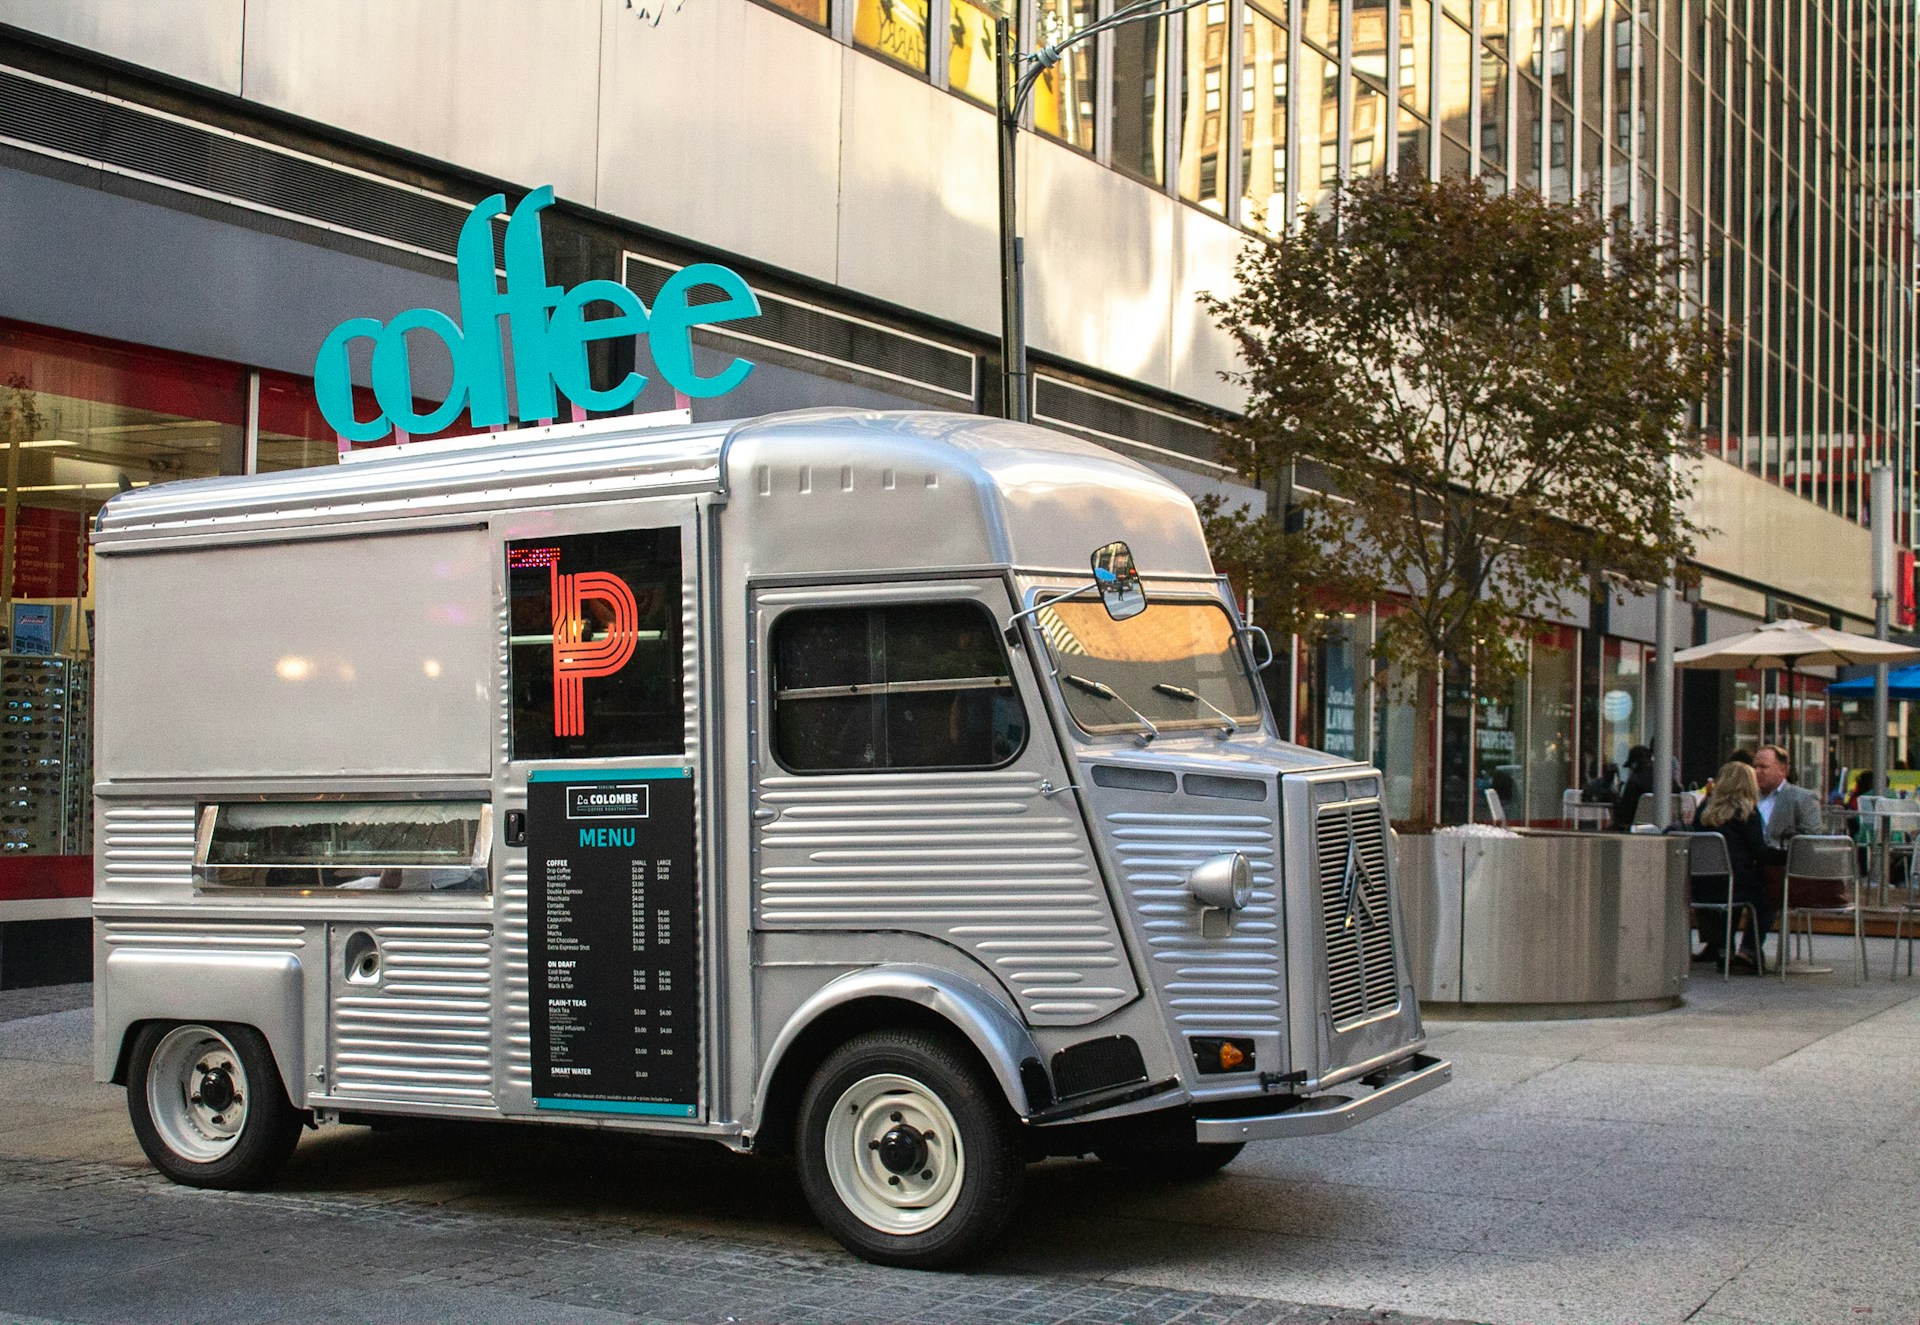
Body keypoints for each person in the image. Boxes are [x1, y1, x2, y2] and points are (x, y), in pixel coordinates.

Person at [1692, 760, 1778, 972]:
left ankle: (1723, 948)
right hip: (1734, 885)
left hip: (1701, 887)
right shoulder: (1747, 812)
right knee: (1766, 897)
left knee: (1731, 889)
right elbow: (1760, 851)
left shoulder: (1704, 811)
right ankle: (1748, 950)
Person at [1753, 744, 1822, 849]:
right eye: (1755, 767)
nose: (1756, 772)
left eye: (1763, 767)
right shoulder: (1747, 798)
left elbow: (1811, 841)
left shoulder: (1803, 799)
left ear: (1782, 770)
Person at [1612, 744, 1679, 831]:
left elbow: (1625, 815)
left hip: (1639, 831)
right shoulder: (1666, 779)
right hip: (1669, 828)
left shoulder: (1634, 781)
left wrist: (1615, 800)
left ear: (1634, 764)